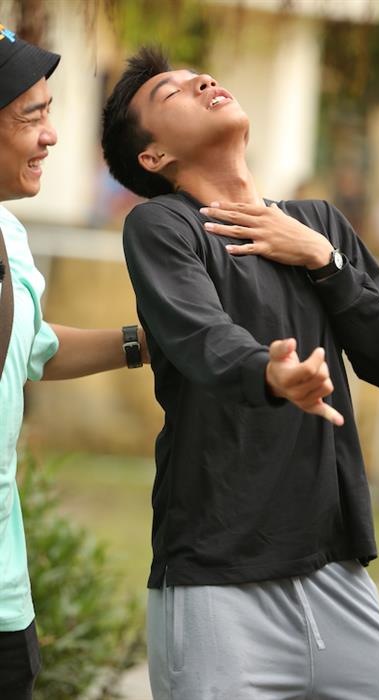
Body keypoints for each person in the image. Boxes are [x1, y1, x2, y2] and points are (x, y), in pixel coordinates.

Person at [102, 47, 379, 700]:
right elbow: (201, 338)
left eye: (199, 76)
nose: (202, 82)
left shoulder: (320, 224)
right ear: (153, 157)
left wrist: (325, 260)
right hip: (215, 583)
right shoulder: (162, 227)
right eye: (172, 93)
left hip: (334, 570)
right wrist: (270, 374)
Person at [0, 26, 147, 700]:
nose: (52, 136)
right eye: (32, 115)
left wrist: (145, 344)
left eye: (50, 112)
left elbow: (29, 347)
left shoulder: (10, 232)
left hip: (8, 594)